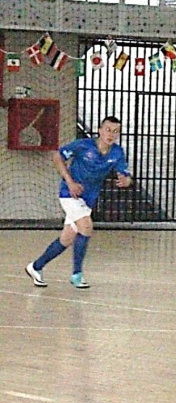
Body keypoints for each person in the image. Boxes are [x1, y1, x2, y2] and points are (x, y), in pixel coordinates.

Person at [25, 116, 132, 289]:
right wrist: (70, 181)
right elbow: (57, 156)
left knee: (66, 239)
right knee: (86, 227)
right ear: (99, 130)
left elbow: (125, 175)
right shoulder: (83, 145)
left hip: (88, 199)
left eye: (115, 131)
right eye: (107, 129)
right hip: (70, 194)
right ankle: (77, 274)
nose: (110, 134)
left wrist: (126, 180)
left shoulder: (117, 152)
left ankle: (35, 267)